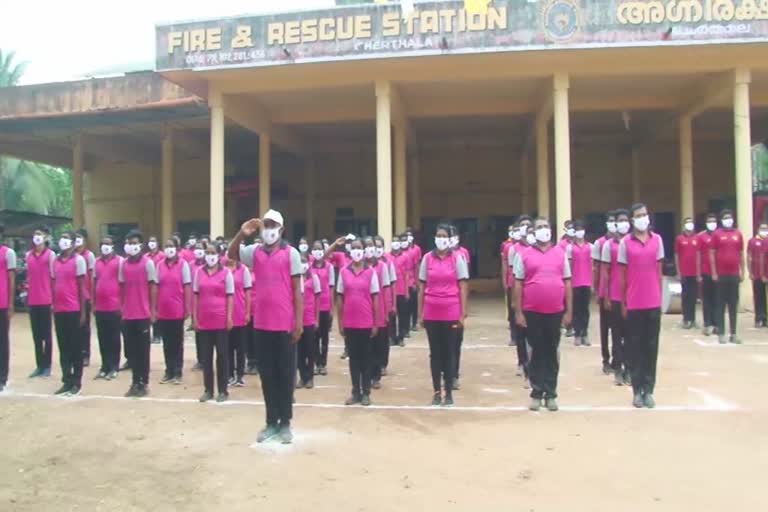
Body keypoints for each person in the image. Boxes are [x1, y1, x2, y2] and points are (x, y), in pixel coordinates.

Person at [228, 210, 302, 444]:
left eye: (273, 225)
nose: (269, 229)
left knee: (285, 374)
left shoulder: (291, 254)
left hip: (284, 325)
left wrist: (298, 323)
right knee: (268, 376)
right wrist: (241, 234)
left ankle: (285, 423)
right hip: (262, 325)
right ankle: (271, 422)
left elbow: (297, 292)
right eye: (266, 225)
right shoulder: (255, 252)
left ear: (281, 229)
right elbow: (231, 255)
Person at [514, 218, 572, 412]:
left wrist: (569, 310)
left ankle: (551, 393)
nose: (543, 230)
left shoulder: (560, 254)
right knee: (537, 352)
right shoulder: (524, 255)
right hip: (532, 311)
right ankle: (537, 393)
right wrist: (518, 312)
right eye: (539, 228)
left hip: (555, 311)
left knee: (552, 352)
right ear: (533, 232)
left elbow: (567, 282)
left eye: (545, 227)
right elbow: (518, 283)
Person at [619, 203, 664, 408]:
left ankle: (649, 389)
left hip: (653, 302)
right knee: (635, 348)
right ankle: (637, 390)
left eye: (645, 214)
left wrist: (660, 298)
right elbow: (622, 276)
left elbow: (659, 271)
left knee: (651, 347)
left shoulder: (657, 240)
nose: (643, 218)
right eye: (638, 215)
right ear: (632, 220)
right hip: (634, 303)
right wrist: (623, 302)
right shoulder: (625, 243)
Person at [419, 224, 469, 406]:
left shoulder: (457, 258)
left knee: (449, 353)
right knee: (435, 353)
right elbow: (422, 286)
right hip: (432, 312)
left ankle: (448, 391)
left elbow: (463, 285)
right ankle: (436, 391)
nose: (440, 239)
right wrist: (420, 314)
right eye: (438, 235)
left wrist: (462, 313)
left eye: (444, 236)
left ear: (449, 239)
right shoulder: (427, 259)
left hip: (451, 311)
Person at [336, 238, 379, 406]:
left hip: (366, 322)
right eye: (353, 248)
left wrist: (375, 323)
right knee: (353, 359)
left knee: (366, 359)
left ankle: (366, 392)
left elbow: (375, 297)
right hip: (350, 323)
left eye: (359, 248)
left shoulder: (370, 272)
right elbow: (340, 297)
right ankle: (355, 392)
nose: (356, 251)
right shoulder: (344, 272)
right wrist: (340, 322)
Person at [193, 245, 234, 402]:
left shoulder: (226, 273)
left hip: (221, 321)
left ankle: (223, 390)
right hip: (204, 322)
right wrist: (195, 317)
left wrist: (229, 317)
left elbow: (230, 296)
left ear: (219, 255)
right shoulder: (199, 272)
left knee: (222, 357)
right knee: (206, 357)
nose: (210, 256)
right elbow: (196, 296)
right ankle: (208, 390)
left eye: (213, 253)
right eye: (208, 253)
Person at [119, 231, 158, 397]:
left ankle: (144, 382)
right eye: (129, 242)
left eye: (134, 242)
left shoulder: (148, 263)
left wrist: (153, 310)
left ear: (140, 245)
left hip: (143, 314)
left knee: (143, 350)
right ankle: (135, 381)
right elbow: (121, 287)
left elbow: (153, 287)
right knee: (132, 351)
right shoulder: (124, 264)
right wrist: (121, 308)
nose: (131, 245)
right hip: (128, 314)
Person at [51, 231, 87, 396]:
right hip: (59, 310)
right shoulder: (55, 261)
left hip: (73, 310)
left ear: (73, 243)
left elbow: (81, 287)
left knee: (75, 347)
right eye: (62, 237)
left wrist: (83, 312)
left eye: (67, 238)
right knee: (63, 347)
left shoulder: (78, 260)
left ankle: (77, 382)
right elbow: (53, 283)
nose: (63, 241)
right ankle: (66, 380)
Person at [601, 210, 631, 385]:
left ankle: (629, 368)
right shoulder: (608, 245)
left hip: (631, 296)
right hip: (615, 296)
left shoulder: (631, 243)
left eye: (626, 220)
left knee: (630, 335)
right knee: (617, 334)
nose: (623, 223)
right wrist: (605, 295)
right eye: (620, 220)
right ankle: (617, 368)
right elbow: (605, 272)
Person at [156, 237, 191, 385]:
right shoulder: (159, 265)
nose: (169, 249)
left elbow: (187, 287)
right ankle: (168, 370)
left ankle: (177, 371)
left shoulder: (183, 265)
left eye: (171, 246)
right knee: (166, 342)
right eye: (166, 246)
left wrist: (187, 308)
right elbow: (156, 287)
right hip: (163, 311)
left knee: (177, 342)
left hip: (177, 310)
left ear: (177, 249)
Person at [709, 209, 744, 344]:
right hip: (721, 275)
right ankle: (721, 333)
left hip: (734, 274)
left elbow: (741, 254)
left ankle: (734, 333)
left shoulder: (738, 234)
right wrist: (714, 272)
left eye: (730, 217)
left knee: (733, 304)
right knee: (720, 304)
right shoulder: (717, 234)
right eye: (725, 218)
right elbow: (712, 253)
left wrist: (742, 271)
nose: (728, 220)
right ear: (722, 220)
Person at [26, 226, 56, 378]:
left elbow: (53, 278)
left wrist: (53, 300)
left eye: (40, 234)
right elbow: (28, 277)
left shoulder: (50, 255)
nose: (36, 237)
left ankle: (47, 366)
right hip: (33, 300)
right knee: (36, 335)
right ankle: (39, 365)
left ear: (46, 237)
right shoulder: (28, 255)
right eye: (35, 234)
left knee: (46, 335)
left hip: (46, 299)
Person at [93, 236, 123, 380]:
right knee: (102, 337)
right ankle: (104, 366)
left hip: (114, 306)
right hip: (100, 307)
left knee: (114, 338)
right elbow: (94, 282)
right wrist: (93, 303)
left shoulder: (119, 261)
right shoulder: (96, 262)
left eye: (108, 244)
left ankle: (114, 366)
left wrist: (122, 304)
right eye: (103, 244)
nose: (105, 246)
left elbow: (123, 284)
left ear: (113, 246)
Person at [365, 237, 392, 390]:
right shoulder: (359, 267)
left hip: (379, 312)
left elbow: (386, 289)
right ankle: (367, 376)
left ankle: (376, 376)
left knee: (377, 346)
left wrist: (387, 311)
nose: (370, 249)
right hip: (364, 313)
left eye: (372, 246)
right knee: (366, 346)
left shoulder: (382, 266)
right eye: (367, 246)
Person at [593, 211, 617, 374]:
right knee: (605, 328)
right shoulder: (600, 243)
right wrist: (596, 290)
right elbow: (596, 268)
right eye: (610, 221)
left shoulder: (624, 242)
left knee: (618, 329)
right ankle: (605, 359)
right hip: (604, 291)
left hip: (619, 293)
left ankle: (617, 359)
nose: (613, 224)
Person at [510, 217, 533, 379]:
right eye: (523, 226)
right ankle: (522, 361)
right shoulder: (514, 249)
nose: (526, 229)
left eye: (528, 226)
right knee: (521, 333)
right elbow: (514, 277)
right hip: (520, 295)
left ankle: (533, 364)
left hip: (535, 299)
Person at [225, 250, 252, 388]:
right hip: (225, 315)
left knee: (241, 348)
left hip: (240, 313)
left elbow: (248, 292)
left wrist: (247, 312)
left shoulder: (244, 270)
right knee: (228, 347)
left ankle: (240, 375)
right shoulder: (222, 269)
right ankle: (229, 374)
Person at [325, 234, 354, 358]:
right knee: (346, 322)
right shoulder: (341, 256)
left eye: (351, 242)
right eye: (347, 242)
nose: (349, 244)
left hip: (359, 295)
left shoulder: (361, 258)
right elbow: (325, 255)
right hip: (345, 295)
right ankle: (348, 348)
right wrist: (335, 244)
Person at [310, 240, 335, 376]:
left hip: (325, 305)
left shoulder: (329, 267)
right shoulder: (308, 267)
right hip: (312, 307)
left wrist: (331, 308)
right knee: (314, 336)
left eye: (320, 249)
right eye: (315, 249)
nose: (318, 251)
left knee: (324, 336)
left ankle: (323, 363)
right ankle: (316, 362)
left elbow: (331, 288)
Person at [567, 220, 593, 346]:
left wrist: (593, 283)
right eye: (577, 230)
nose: (580, 232)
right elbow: (569, 266)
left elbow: (592, 266)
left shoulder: (590, 247)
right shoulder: (570, 248)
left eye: (582, 229)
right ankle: (577, 334)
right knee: (576, 309)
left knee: (585, 310)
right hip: (575, 283)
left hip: (586, 282)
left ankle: (585, 333)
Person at [296, 255, 321, 389]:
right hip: (298, 321)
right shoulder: (295, 278)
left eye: (304, 261)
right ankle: (303, 376)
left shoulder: (314, 278)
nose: (303, 264)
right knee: (299, 350)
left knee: (310, 350)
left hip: (310, 319)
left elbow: (317, 299)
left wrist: (316, 318)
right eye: (300, 262)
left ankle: (310, 377)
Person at [375, 236, 397, 374]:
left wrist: (392, 305)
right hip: (372, 307)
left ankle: (383, 364)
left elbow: (392, 285)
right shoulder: (366, 264)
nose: (376, 249)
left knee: (384, 337)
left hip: (385, 305)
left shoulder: (387, 263)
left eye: (378, 246)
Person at [74, 229, 96, 367]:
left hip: (85, 296)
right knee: (74, 328)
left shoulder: (89, 256)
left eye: (79, 238)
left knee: (85, 326)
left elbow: (92, 277)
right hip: (72, 298)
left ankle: (85, 354)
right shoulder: (72, 257)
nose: (77, 241)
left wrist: (92, 297)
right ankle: (77, 352)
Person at [674, 217, 701, 329]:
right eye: (687, 223)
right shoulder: (679, 239)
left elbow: (699, 255)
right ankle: (686, 319)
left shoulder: (697, 238)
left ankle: (693, 319)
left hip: (694, 273)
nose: (689, 225)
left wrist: (699, 273)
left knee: (693, 296)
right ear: (684, 225)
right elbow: (676, 255)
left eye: (691, 223)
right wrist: (678, 271)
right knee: (685, 296)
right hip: (684, 272)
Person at [0, 224, 17, 392]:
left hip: (2, 303)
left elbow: (11, 279)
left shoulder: (8, 253)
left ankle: (2, 376)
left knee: (2, 341)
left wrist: (11, 303)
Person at [698, 214, 718, 336]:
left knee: (717, 299)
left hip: (718, 273)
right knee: (707, 299)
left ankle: (717, 323)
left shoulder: (720, 235)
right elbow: (698, 255)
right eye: (710, 221)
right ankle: (707, 323)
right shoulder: (701, 237)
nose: (712, 223)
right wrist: (699, 273)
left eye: (714, 221)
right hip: (705, 271)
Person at [245, 236, 262, 375]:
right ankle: (250, 361)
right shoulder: (245, 270)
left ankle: (257, 362)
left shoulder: (261, 270)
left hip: (259, 310)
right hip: (247, 309)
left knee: (258, 338)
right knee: (248, 337)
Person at [393, 235, 411, 346]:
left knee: (402, 315)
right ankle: (392, 337)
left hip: (401, 290)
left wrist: (407, 291)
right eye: (393, 241)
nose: (395, 243)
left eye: (396, 241)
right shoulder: (387, 256)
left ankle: (401, 337)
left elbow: (407, 275)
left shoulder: (405, 257)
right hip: (391, 291)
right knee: (392, 315)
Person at [748, 223, 768, 327]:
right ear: (758, 229)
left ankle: (766, 318)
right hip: (757, 274)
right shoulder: (752, 241)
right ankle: (759, 318)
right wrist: (750, 271)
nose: (764, 230)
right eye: (763, 228)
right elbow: (749, 256)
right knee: (758, 296)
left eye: (766, 229)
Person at [147, 235, 165, 343]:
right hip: (148, 286)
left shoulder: (162, 256)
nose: (152, 243)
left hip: (159, 286)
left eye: (153, 241)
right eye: (150, 241)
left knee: (157, 310)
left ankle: (157, 334)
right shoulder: (146, 256)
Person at [405, 229, 422, 332]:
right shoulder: (402, 250)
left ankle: (414, 322)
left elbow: (417, 266)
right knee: (406, 305)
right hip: (403, 281)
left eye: (410, 235)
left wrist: (417, 281)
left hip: (412, 279)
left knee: (414, 303)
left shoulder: (416, 249)